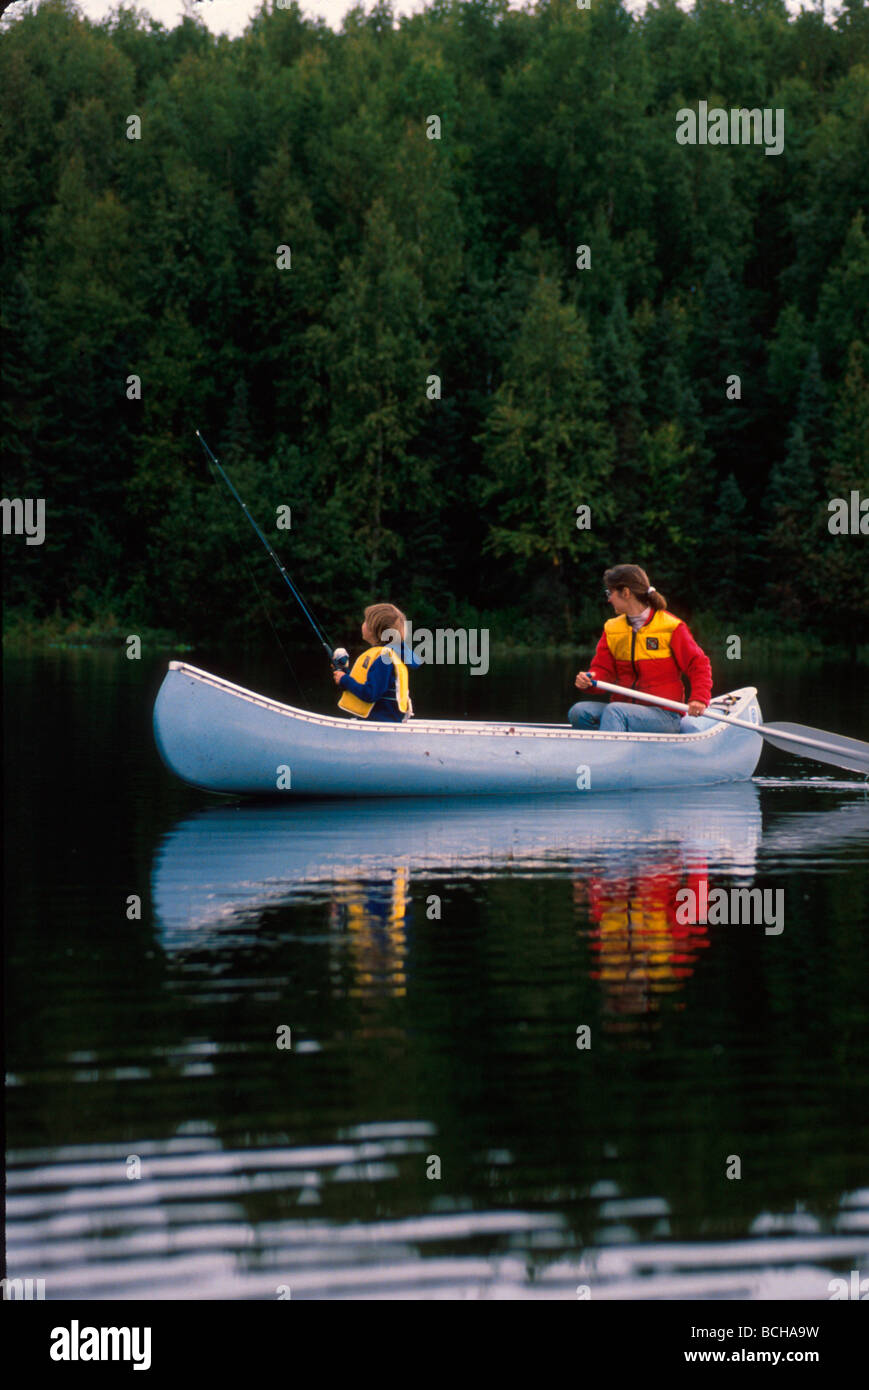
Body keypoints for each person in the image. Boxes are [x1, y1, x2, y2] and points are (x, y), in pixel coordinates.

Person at [569, 565, 711, 733]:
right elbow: (602, 671)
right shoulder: (612, 628)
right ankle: (602, 749)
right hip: (623, 711)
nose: (609, 599)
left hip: (664, 716)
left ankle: (608, 756)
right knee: (579, 712)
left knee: (615, 712)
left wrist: (699, 699)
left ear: (626, 593)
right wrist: (589, 679)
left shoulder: (671, 626)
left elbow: (699, 664)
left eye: (610, 593)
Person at [333, 602, 417, 723]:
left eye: (366, 621)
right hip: (382, 720)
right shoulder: (386, 655)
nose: (363, 624)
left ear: (374, 630)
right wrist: (343, 674)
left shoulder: (383, 660)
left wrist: (345, 680)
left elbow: (370, 694)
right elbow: (368, 684)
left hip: (381, 722)